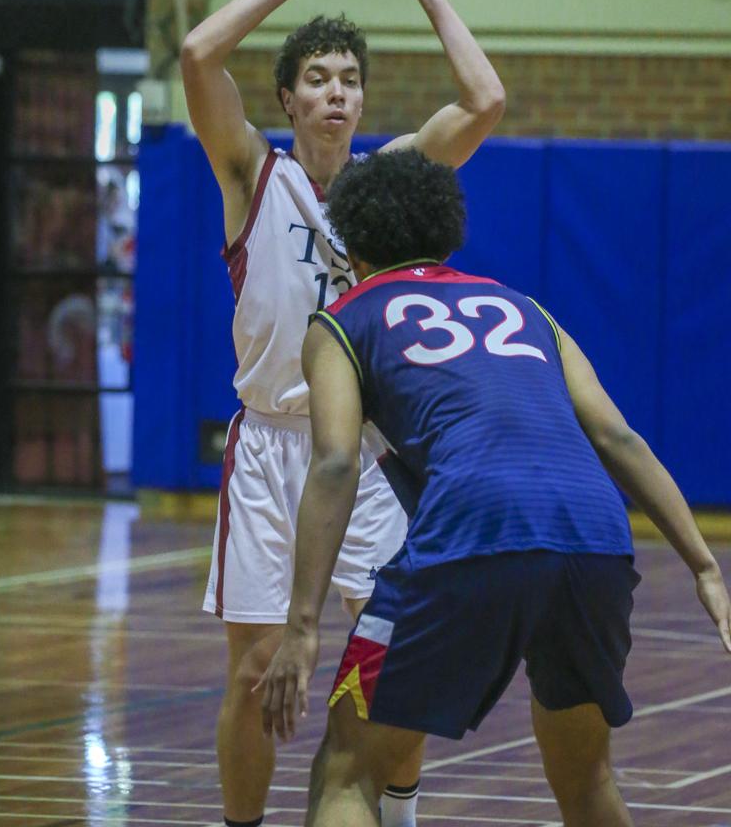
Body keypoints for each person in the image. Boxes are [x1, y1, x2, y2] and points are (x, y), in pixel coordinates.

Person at [260, 149, 731, 827]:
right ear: (446, 233)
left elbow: (335, 464)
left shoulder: (341, 321)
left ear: (352, 243)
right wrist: (705, 564)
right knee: (588, 778)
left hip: (472, 528)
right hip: (595, 538)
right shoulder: (525, 308)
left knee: (347, 770)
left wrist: (302, 626)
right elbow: (619, 439)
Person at [179, 0, 505, 827]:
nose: (335, 92)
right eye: (317, 78)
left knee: (383, 674)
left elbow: (485, 102)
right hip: (273, 449)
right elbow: (200, 54)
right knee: (253, 675)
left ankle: (389, 811)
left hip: (364, 457)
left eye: (349, 79)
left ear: (361, 100)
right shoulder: (251, 173)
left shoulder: (391, 182)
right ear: (287, 98)